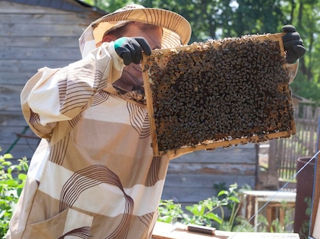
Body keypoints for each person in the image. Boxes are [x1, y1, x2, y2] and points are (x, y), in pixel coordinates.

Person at [7, 4, 305, 239]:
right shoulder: (76, 88)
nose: (152, 53)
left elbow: (239, 108)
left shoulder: (165, 111)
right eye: (142, 41)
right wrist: (108, 58)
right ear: (110, 40)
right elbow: (38, 104)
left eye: (157, 49)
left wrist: (277, 64)